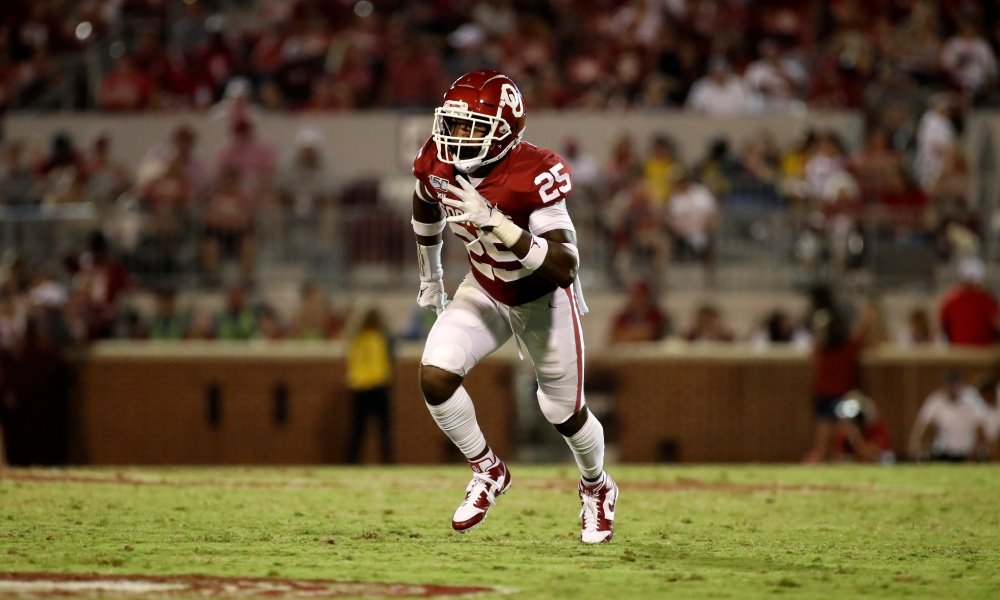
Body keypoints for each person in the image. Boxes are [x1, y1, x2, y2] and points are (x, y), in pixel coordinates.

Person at [411, 69, 617, 543]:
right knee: (436, 375)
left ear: (504, 131)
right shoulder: (435, 159)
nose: (454, 137)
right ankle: (488, 470)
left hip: (541, 297)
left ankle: (597, 487)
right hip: (483, 287)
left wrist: (499, 224)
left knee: (562, 411)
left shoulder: (533, 171)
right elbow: (424, 200)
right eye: (453, 124)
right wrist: (432, 273)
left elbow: (564, 265)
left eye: (470, 127)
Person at [344, 306, 394, 464]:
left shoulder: (356, 340)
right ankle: (387, 462)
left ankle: (351, 462)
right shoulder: (381, 338)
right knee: (384, 430)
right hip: (379, 387)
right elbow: (385, 363)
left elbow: (352, 364)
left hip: (360, 388)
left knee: (358, 429)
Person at [909, 370, 990, 462]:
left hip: (966, 452)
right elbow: (923, 426)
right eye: (949, 386)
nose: (952, 389)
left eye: (955, 386)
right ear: (944, 386)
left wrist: (977, 451)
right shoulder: (935, 401)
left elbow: (980, 427)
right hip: (943, 451)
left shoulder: (972, 400)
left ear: (961, 385)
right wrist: (916, 447)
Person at [938, 256, 999, 347]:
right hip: (982, 353)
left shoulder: (951, 298)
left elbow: (943, 326)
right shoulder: (987, 300)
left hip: (959, 352)